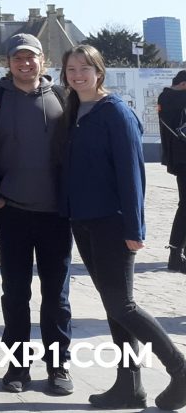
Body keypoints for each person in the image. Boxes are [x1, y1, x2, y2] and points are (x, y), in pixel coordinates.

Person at [60, 45, 186, 411]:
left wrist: (135, 228)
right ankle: (128, 385)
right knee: (113, 306)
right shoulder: (74, 110)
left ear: (99, 71)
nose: (78, 74)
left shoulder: (115, 112)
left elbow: (132, 173)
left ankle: (179, 369)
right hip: (82, 221)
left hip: (112, 222)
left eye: (85, 67)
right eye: (71, 69)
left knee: (123, 305)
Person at [0, 32, 73, 395]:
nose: (25, 63)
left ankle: (59, 367)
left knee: (57, 296)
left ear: (42, 61)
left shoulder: (63, 98)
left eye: (31, 58)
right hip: (12, 211)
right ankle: (17, 367)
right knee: (15, 294)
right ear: (8, 62)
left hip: (56, 214)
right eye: (18, 58)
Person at [158, 70, 186, 273]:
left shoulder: (165, 97)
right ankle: (176, 256)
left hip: (178, 159)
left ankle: (177, 254)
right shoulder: (176, 98)